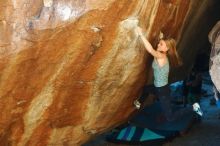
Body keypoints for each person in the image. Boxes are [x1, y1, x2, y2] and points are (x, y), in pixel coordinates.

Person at [133, 27, 203, 122]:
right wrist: (160, 37)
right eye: (159, 43)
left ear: (166, 49)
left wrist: (141, 35)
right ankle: (139, 103)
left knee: (170, 118)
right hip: (158, 88)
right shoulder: (160, 52)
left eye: (161, 44)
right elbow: (157, 47)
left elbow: (150, 50)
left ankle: (193, 108)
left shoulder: (161, 57)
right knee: (145, 89)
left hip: (163, 92)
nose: (158, 44)